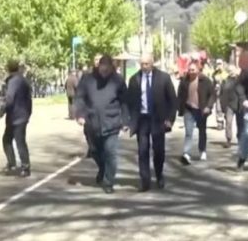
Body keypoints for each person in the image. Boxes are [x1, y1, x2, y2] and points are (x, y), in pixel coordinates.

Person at [75, 54, 129, 194]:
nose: (104, 72)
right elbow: (80, 97)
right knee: (94, 151)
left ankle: (108, 181)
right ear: (98, 67)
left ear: (111, 68)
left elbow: (124, 102)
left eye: (107, 69)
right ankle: (103, 169)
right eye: (101, 69)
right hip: (92, 122)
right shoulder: (87, 80)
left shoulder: (118, 81)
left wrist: (125, 120)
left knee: (110, 152)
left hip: (111, 122)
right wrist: (80, 114)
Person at [127, 53, 177, 191]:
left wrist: (170, 119)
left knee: (159, 151)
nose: (144, 67)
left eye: (146, 64)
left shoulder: (164, 78)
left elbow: (173, 100)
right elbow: (129, 101)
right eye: (142, 64)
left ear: (152, 63)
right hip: (142, 120)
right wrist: (129, 121)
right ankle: (145, 180)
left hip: (158, 120)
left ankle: (159, 174)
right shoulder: (134, 79)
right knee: (142, 150)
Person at [0, 60, 33, 177]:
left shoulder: (14, 81)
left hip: (16, 116)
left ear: (8, 69)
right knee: (7, 139)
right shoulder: (22, 80)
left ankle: (25, 167)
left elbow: (9, 99)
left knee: (18, 141)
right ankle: (12, 163)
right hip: (20, 115)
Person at [177, 61, 216, 165]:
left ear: (198, 70)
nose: (191, 72)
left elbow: (212, 95)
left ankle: (202, 150)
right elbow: (180, 94)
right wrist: (179, 106)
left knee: (202, 131)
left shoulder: (205, 81)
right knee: (188, 132)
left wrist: (208, 106)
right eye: (189, 70)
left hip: (201, 110)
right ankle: (186, 153)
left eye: (193, 70)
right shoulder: (184, 81)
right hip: (188, 109)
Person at [219, 65, 243, 148]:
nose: (231, 71)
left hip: (239, 105)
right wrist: (222, 106)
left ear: (236, 70)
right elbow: (221, 94)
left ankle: (240, 140)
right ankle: (228, 139)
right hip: (229, 105)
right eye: (229, 70)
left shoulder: (240, 80)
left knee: (240, 124)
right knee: (228, 123)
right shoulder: (225, 81)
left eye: (233, 70)